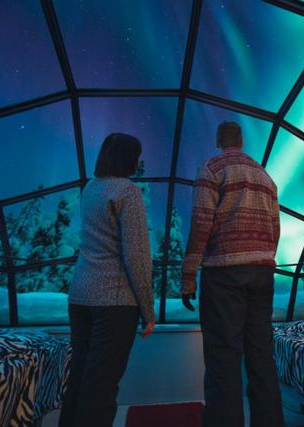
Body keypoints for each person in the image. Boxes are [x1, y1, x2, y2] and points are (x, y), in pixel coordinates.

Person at [181, 122, 284, 427]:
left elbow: (201, 223)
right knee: (261, 355)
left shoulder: (212, 168)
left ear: (218, 140)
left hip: (225, 273)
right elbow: (276, 228)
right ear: (241, 140)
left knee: (223, 357)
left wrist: (188, 275)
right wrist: (265, 258)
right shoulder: (265, 176)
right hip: (262, 272)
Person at [59, 133, 156, 427]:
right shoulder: (128, 192)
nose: (139, 161)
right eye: (137, 155)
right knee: (102, 386)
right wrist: (148, 312)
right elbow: (137, 257)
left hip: (80, 298)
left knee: (80, 379)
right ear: (128, 157)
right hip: (114, 303)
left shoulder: (90, 188)